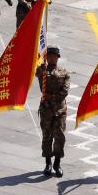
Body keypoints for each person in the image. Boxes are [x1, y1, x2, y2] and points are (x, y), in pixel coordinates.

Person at [36, 46, 70, 177]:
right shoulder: (42, 70)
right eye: (49, 56)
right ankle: (48, 162)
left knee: (60, 137)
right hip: (46, 109)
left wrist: (52, 97)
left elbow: (64, 91)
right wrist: (42, 65)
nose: (51, 58)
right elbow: (36, 73)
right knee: (47, 136)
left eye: (54, 56)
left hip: (59, 110)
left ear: (57, 57)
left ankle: (57, 162)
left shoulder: (64, 72)